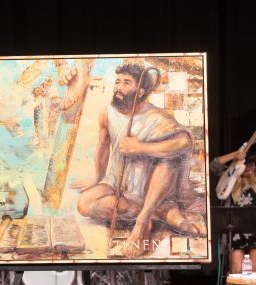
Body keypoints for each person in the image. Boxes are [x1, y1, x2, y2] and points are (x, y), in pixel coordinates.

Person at [71, 63, 200, 257]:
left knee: (169, 161)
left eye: (126, 83)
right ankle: (163, 212)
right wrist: (96, 178)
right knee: (84, 204)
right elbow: (102, 147)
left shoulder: (156, 117)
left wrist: (141, 147)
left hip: (147, 188)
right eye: (117, 82)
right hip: (118, 182)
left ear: (139, 91)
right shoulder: (107, 112)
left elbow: (185, 141)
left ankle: (143, 221)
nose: (118, 88)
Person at [210, 135, 256, 285]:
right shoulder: (232, 176)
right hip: (237, 230)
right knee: (236, 270)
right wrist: (235, 155)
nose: (251, 167)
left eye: (252, 163)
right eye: (247, 163)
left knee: (253, 271)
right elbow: (214, 165)